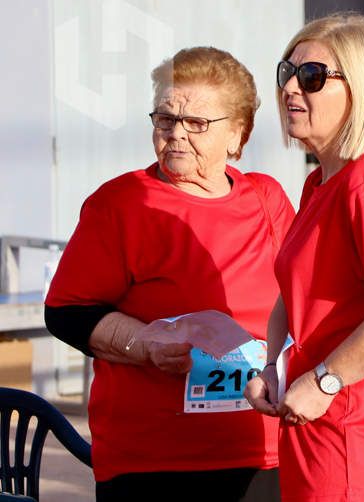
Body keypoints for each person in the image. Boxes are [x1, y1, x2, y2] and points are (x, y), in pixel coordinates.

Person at [44, 46, 295, 501]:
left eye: (197, 123)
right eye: (164, 119)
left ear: (239, 133)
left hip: (262, 448)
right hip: (153, 460)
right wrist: (143, 345)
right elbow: (67, 312)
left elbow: (304, 295)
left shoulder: (267, 198)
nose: (176, 134)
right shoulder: (120, 204)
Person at [243, 13, 364, 502]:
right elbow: (295, 297)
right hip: (315, 428)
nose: (291, 89)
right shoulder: (322, 182)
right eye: (287, 73)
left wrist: (326, 380)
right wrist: (273, 368)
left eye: (311, 78)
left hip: (357, 438)